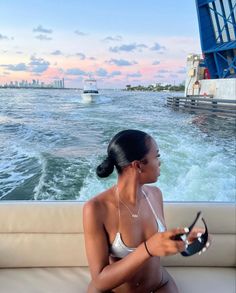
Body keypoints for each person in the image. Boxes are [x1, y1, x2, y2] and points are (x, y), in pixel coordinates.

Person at [83, 129, 206, 292]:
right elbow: (98, 282)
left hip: (161, 285)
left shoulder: (155, 195)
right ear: (138, 165)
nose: (160, 162)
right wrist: (147, 248)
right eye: (157, 156)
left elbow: (158, 246)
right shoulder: (96, 208)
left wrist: (182, 239)